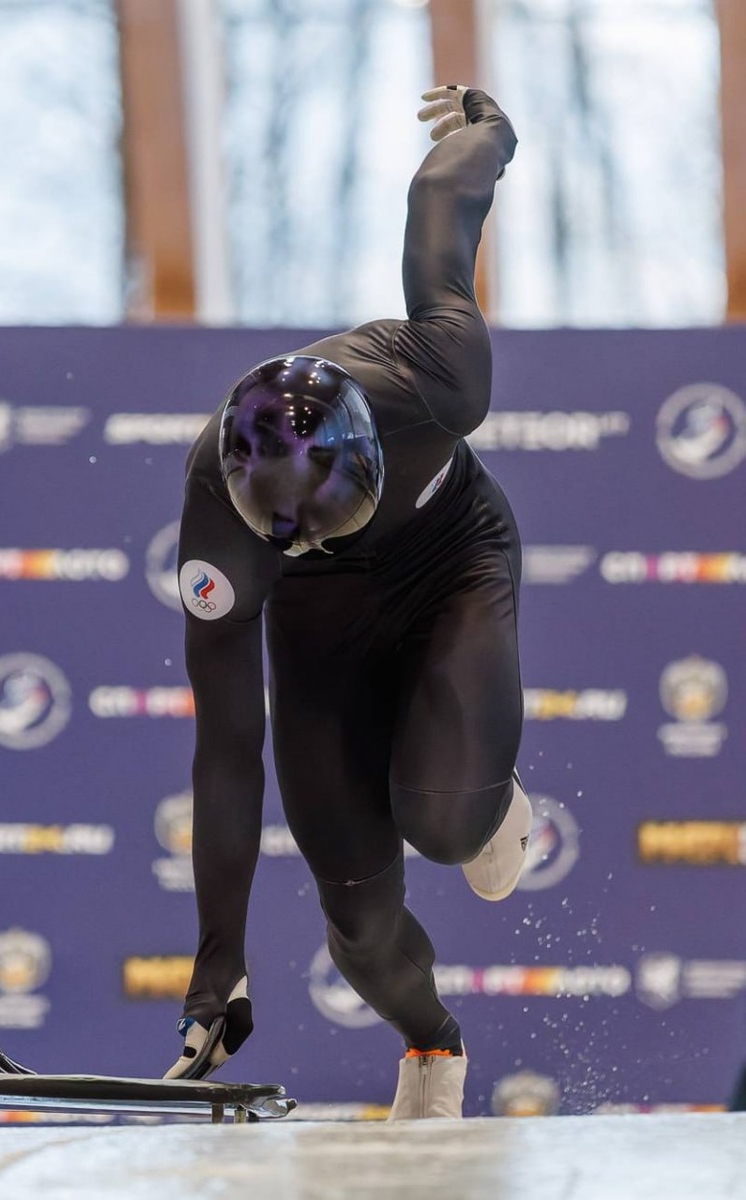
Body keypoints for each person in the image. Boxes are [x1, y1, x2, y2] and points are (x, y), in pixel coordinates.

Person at [164, 85, 531, 1120]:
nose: (329, 535)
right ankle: (434, 1048)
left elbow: (442, 203)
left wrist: (490, 129)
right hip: (319, 625)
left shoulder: (439, 377)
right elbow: (227, 746)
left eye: (342, 515)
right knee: (362, 928)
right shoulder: (215, 520)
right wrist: (217, 964)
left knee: (446, 827)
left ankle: (487, 798)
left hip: (450, 563)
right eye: (304, 531)